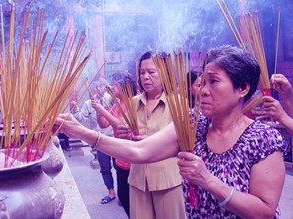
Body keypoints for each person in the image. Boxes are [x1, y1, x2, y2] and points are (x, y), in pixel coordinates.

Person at [55, 45, 285, 218]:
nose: (203, 91)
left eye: (213, 82)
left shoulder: (263, 138)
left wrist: (207, 180)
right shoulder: (195, 126)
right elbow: (139, 151)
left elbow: (264, 211)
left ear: (242, 88)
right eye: (202, 82)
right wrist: (83, 132)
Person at [117, 51, 185, 219]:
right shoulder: (133, 102)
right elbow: (130, 139)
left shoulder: (178, 103)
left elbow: (185, 144)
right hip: (138, 179)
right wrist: (124, 134)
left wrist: (154, 144)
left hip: (167, 180)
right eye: (142, 72)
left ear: (165, 73)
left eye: (151, 72)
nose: (145, 77)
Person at [91, 71, 137, 217]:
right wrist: (99, 111)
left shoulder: (133, 103)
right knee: (123, 196)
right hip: (121, 158)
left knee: (133, 201)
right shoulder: (116, 104)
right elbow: (104, 124)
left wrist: (101, 111)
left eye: (115, 84)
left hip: (132, 159)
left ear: (125, 86)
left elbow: (122, 126)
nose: (111, 87)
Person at [70, 77, 117, 204]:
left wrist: (111, 88)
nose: (97, 89)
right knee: (105, 168)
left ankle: (123, 192)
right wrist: (74, 108)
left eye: (100, 86)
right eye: (95, 87)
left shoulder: (111, 98)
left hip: (115, 138)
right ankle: (111, 192)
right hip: (100, 140)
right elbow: (80, 119)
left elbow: (120, 104)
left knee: (119, 167)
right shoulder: (89, 103)